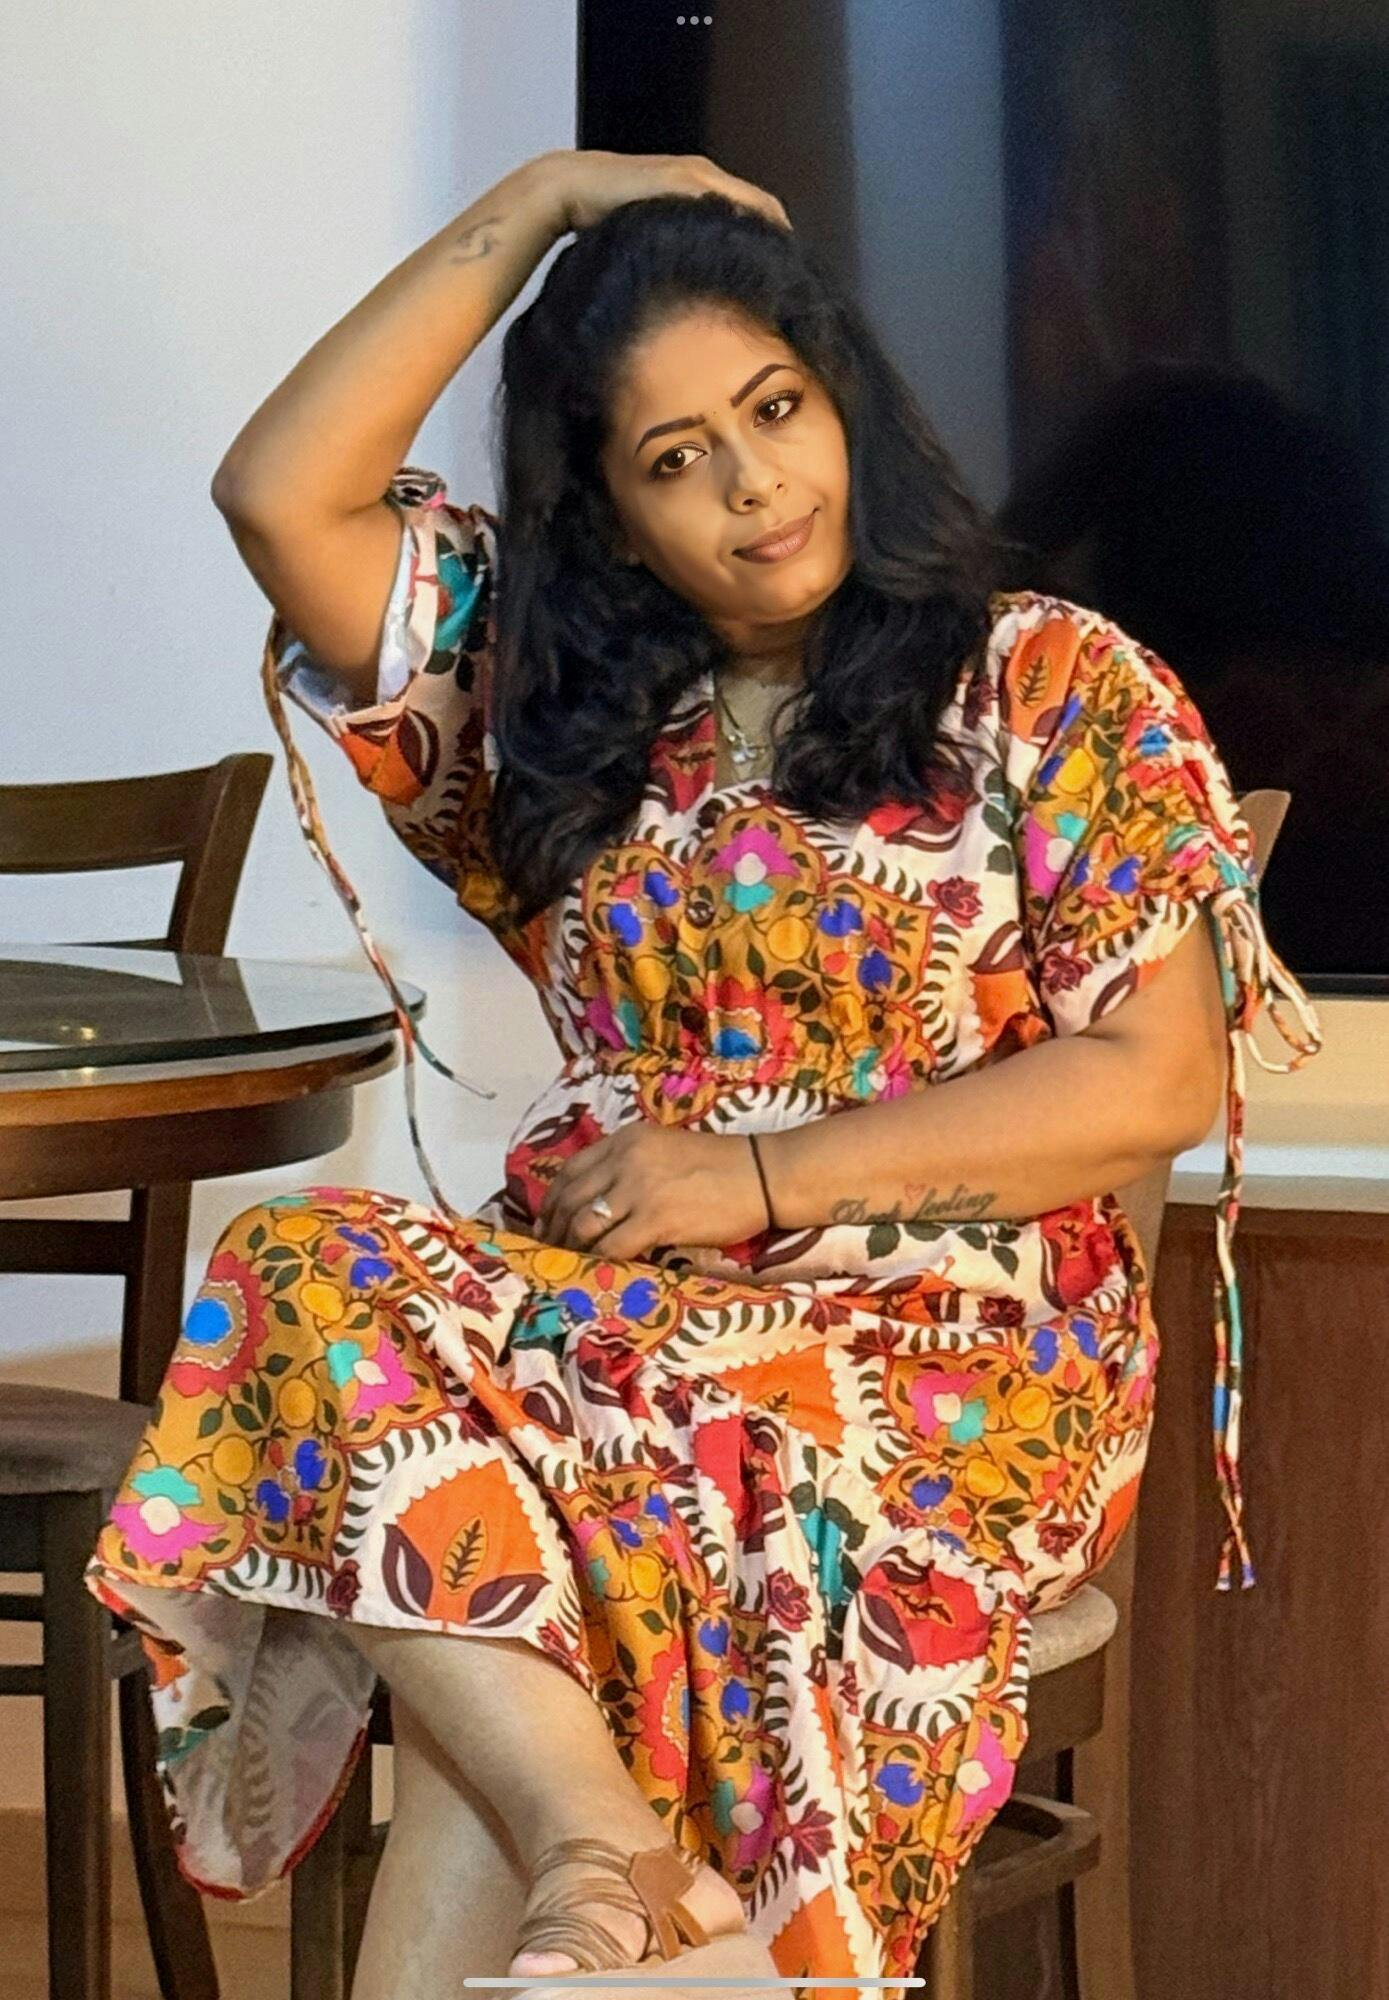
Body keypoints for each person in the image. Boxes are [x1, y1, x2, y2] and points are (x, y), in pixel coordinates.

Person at [84, 149, 1324, 2000]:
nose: (751, 483)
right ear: (605, 510)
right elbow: (283, 494)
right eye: (674, 457)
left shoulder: (1050, 680)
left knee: (544, 1526)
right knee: (307, 1279)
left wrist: (751, 1181)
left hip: (951, 1369)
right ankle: (606, 1853)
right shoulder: (553, 714)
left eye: (775, 408)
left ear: (843, 402)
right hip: (604, 1328)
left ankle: (602, 1853)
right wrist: (536, 203)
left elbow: (1148, 1080)